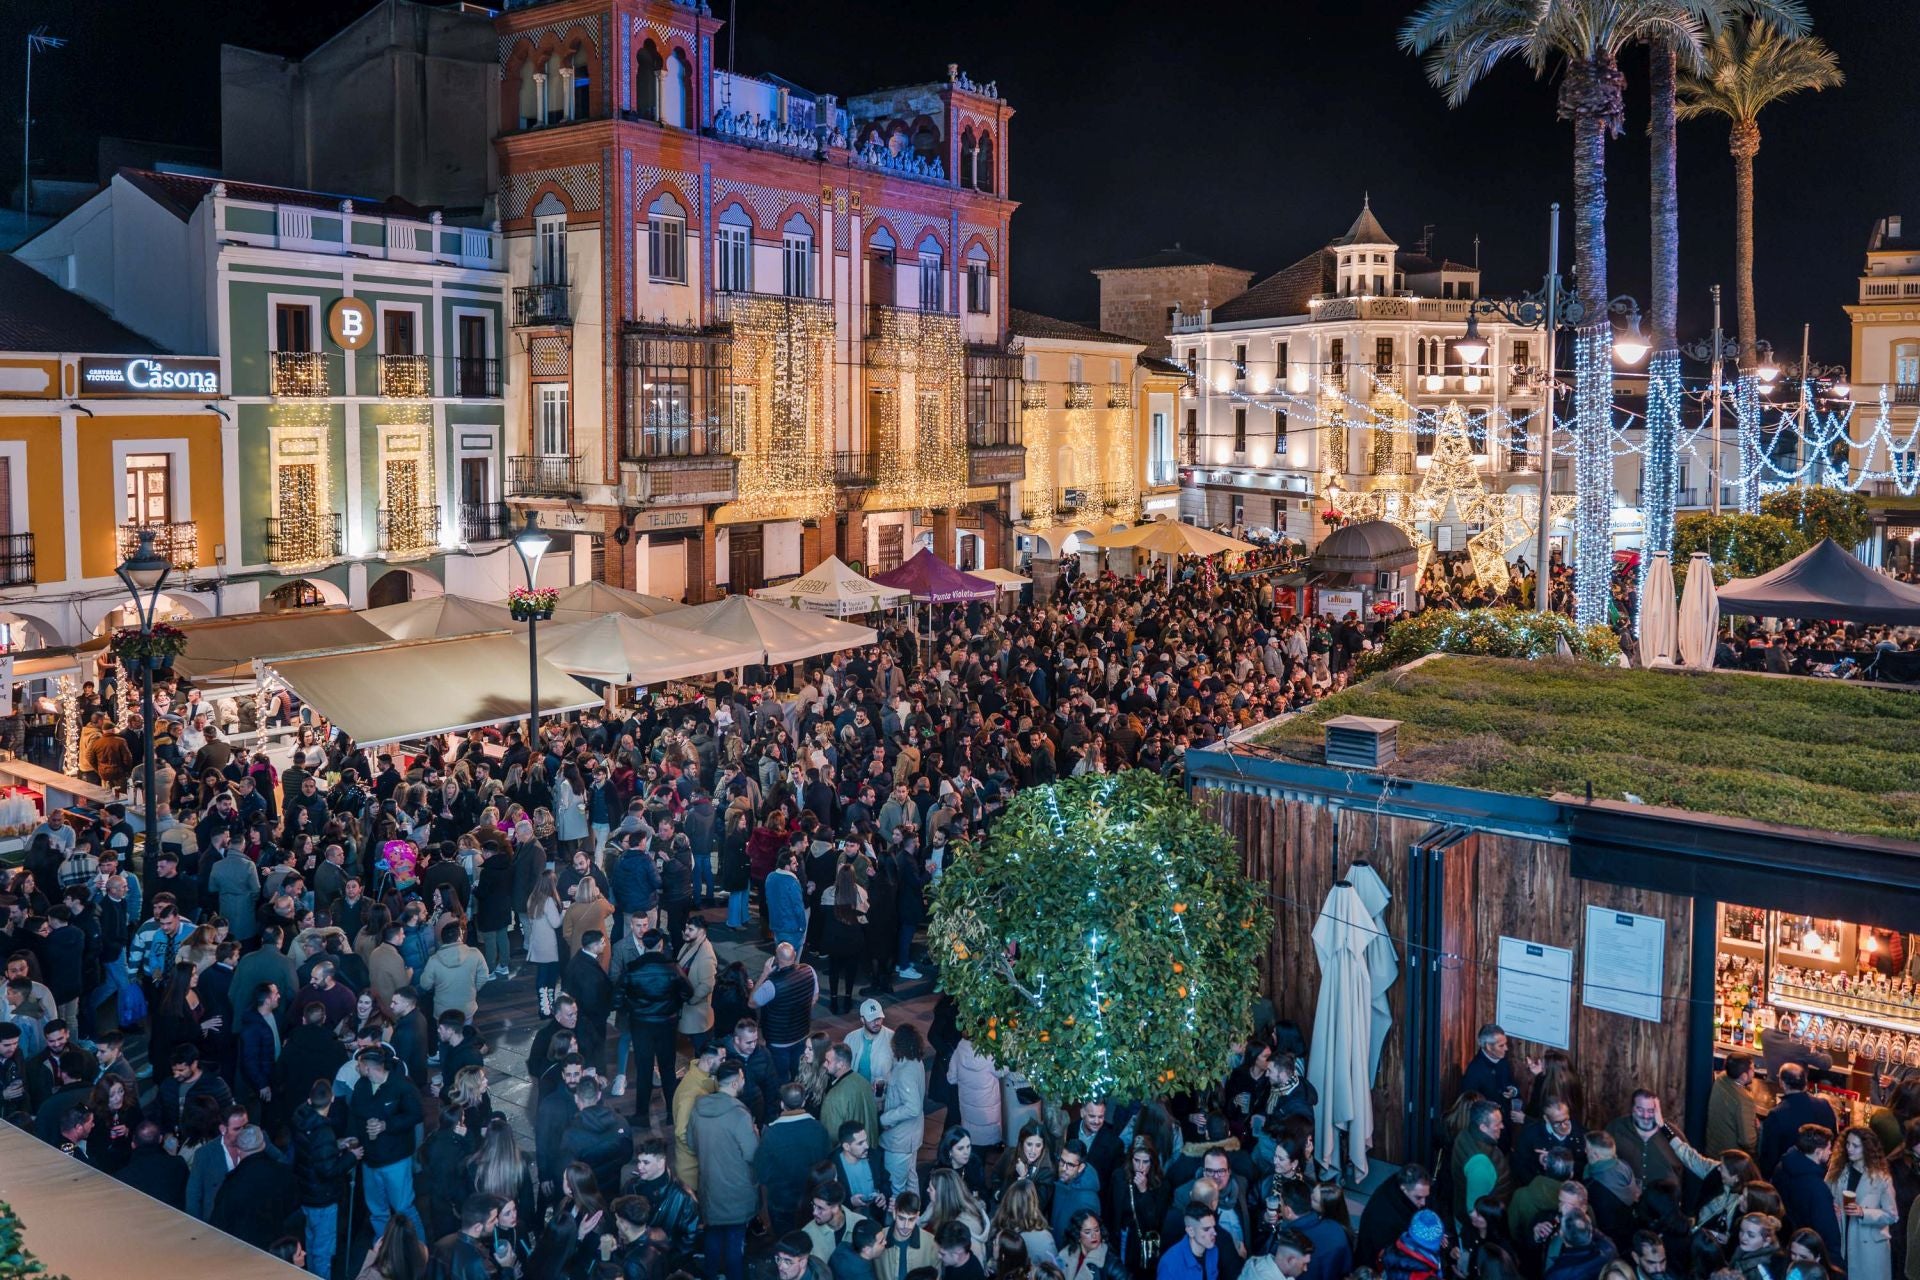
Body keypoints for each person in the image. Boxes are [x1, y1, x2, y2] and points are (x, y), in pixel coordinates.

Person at [689, 1058, 760, 1280]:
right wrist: (756, 1134)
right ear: (738, 1079)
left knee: (712, 1237)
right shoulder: (739, 1115)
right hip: (736, 1191)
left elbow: (691, 1144)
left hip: (710, 1187)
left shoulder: (698, 1109)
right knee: (734, 1245)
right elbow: (752, 1155)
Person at [349, 1046, 426, 1238]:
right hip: (370, 1161)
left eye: (359, 1065)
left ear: (367, 1067)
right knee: (377, 1212)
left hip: (395, 1160)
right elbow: (355, 1116)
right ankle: (385, 1251)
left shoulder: (402, 1086)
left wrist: (386, 1125)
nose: (356, 1068)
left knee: (404, 1209)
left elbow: (416, 1114)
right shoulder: (361, 1086)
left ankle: (419, 1249)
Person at [616, 927, 690, 1124]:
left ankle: (642, 1114)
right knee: (667, 1069)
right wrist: (674, 1003)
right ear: (661, 945)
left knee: (644, 1069)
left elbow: (616, 999)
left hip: (641, 1025)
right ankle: (671, 1113)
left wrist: (632, 1007)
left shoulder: (632, 969)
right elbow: (688, 993)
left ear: (643, 944)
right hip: (667, 1024)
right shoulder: (672, 968)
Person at [292, 1078, 358, 1280]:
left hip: (305, 1192)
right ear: (333, 1099)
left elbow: (313, 1153)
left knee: (310, 1244)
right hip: (323, 1197)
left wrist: (335, 1146)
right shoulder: (323, 1132)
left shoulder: (301, 1119)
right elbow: (328, 1170)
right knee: (323, 1252)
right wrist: (351, 1157)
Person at [758, 1080, 833, 1233]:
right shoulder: (819, 1130)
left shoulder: (771, 1134)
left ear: (781, 1104)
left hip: (781, 1203)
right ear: (804, 1102)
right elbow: (828, 1166)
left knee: (785, 1245)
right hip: (813, 1203)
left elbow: (762, 1173)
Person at [211, 1123, 301, 1250]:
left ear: (238, 1150)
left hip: (242, 1250)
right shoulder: (283, 1173)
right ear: (263, 1144)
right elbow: (294, 1209)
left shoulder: (232, 1183)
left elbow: (219, 1222)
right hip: (277, 1249)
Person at [1830, 1124, 1896, 1280]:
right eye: (1848, 1144)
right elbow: (1828, 1195)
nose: (1849, 1149)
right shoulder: (1839, 1171)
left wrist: (1863, 1212)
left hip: (1869, 1247)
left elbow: (1892, 1215)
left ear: (1866, 1148)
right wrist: (1832, 1207)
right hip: (1843, 1239)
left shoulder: (1881, 1178)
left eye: (1855, 1146)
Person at [1773, 1125, 1841, 1256]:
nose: (1830, 1152)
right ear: (1818, 1152)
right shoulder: (1817, 1188)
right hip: (1807, 1248)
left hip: (1787, 1240)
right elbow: (1827, 1232)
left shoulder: (1782, 1167)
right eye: (1828, 1148)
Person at [879, 1025, 929, 1200]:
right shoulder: (917, 1062)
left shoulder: (904, 1072)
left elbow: (912, 1107)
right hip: (912, 1136)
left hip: (899, 1139)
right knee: (911, 1178)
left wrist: (885, 1118)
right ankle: (915, 1215)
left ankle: (895, 1222)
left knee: (896, 1186)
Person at [1761, 1068, 1840, 1175]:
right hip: (1819, 1172)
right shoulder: (1825, 1105)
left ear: (1782, 1084)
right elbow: (1834, 1139)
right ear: (1805, 1083)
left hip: (1788, 1174)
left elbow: (1769, 1156)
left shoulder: (1776, 1114)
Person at [1452, 1100, 1512, 1230]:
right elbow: (1475, 1213)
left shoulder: (1466, 1134)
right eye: (1497, 1124)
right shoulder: (1480, 1164)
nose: (1502, 1126)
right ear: (1483, 1127)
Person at [821, 1042, 881, 1150]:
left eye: (828, 1061)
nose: (824, 1064)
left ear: (841, 1064)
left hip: (849, 1155)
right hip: (870, 1149)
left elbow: (831, 1135)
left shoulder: (834, 1094)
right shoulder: (864, 1083)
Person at [1707, 1055, 1762, 1159]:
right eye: (1752, 1069)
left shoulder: (1721, 1078)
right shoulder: (1744, 1100)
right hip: (1731, 1159)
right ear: (1743, 1076)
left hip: (1712, 1149)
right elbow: (1748, 1142)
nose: (1754, 1072)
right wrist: (1758, 1129)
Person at [876, 1192, 939, 1280]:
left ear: (917, 1216)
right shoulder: (878, 1239)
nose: (906, 1225)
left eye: (911, 1219)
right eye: (901, 1218)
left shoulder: (931, 1244)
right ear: (894, 1213)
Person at [1157, 1202, 1221, 1280]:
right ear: (1191, 1231)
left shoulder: (1213, 1251)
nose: (1214, 1233)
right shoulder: (1170, 1264)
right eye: (1206, 1229)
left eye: (1213, 1227)